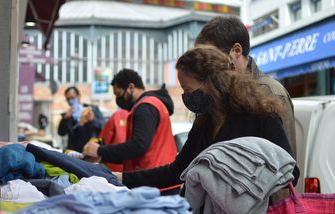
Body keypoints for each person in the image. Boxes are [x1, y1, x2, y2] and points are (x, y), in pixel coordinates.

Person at [116, 46, 299, 191]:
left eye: (188, 90)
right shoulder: (204, 122)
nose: (185, 96)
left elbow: (290, 172)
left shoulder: (260, 116)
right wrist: (122, 178)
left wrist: (239, 182)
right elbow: (177, 170)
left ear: (213, 82)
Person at [194, 16, 297, 159]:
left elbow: (286, 166)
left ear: (237, 51)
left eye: (213, 57)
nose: (208, 66)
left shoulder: (270, 92)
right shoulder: (219, 92)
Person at [83, 69, 177, 176]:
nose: (118, 99)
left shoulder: (145, 107)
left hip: (155, 179)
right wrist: (102, 155)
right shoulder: (152, 104)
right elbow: (137, 152)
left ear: (131, 87)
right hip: (157, 175)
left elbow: (138, 146)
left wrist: (100, 150)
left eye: (119, 94)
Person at [58, 86, 104, 152]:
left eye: (72, 98)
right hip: (74, 151)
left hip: (91, 149)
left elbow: (103, 126)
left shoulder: (92, 109)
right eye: (68, 99)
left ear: (79, 96)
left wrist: (93, 120)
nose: (70, 101)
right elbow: (61, 133)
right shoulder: (68, 115)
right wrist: (65, 118)